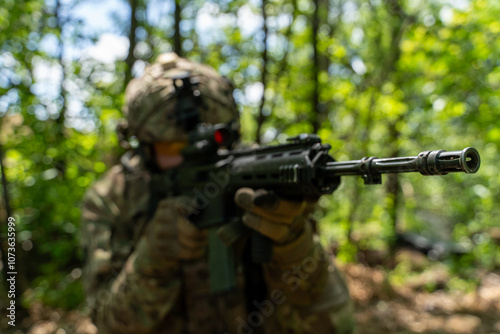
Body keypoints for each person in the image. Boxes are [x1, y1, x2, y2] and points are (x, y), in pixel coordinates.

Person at [81, 52, 355, 334]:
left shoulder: (257, 178)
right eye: (174, 148)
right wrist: (154, 257)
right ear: (145, 147)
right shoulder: (112, 198)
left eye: (214, 140)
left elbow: (333, 321)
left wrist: (293, 245)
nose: (196, 155)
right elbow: (107, 322)